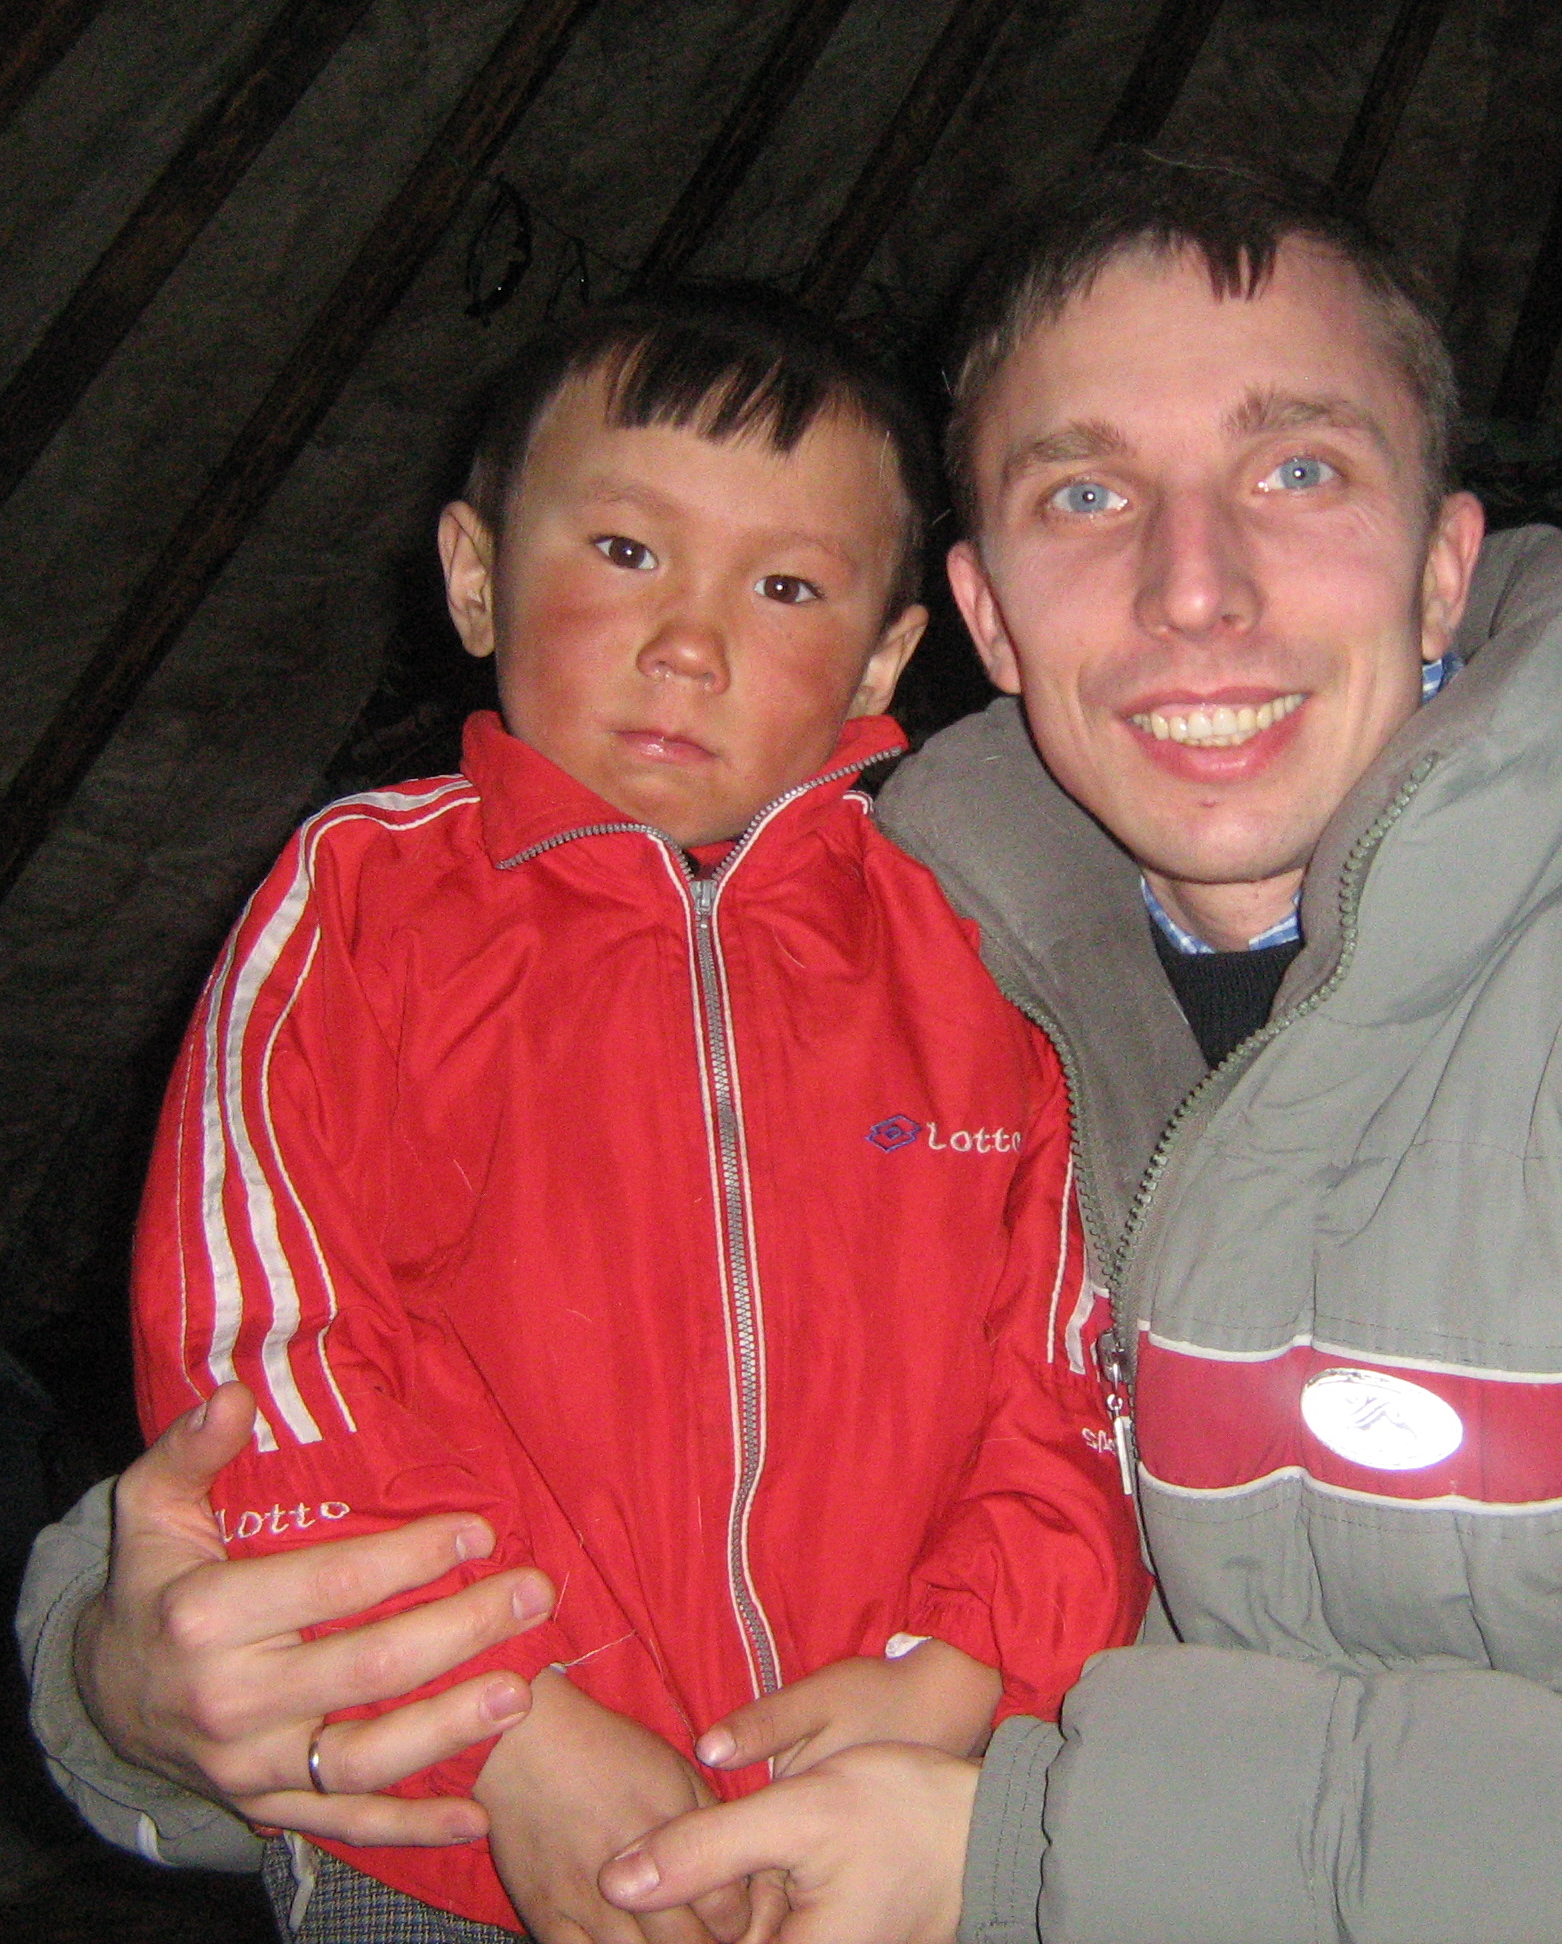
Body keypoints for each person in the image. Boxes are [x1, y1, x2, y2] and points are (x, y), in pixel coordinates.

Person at [22, 156, 1562, 1944]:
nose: (1194, 587)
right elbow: (333, 1380)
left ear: (1447, 568)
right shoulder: (989, 956)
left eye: (1296, 467)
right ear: (981, 620)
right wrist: (118, 1685)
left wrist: (1009, 1827)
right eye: (1084, 497)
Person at [85, 286, 1146, 1942]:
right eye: (627, 551)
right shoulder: (359, 908)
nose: (688, 645)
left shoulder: (970, 948)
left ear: (882, 657)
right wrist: (514, 1720)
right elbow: (268, 1347)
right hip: (461, 1820)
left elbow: (1067, 1375)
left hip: (894, 1821)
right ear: (475, 575)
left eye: (785, 587)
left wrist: (961, 1674)